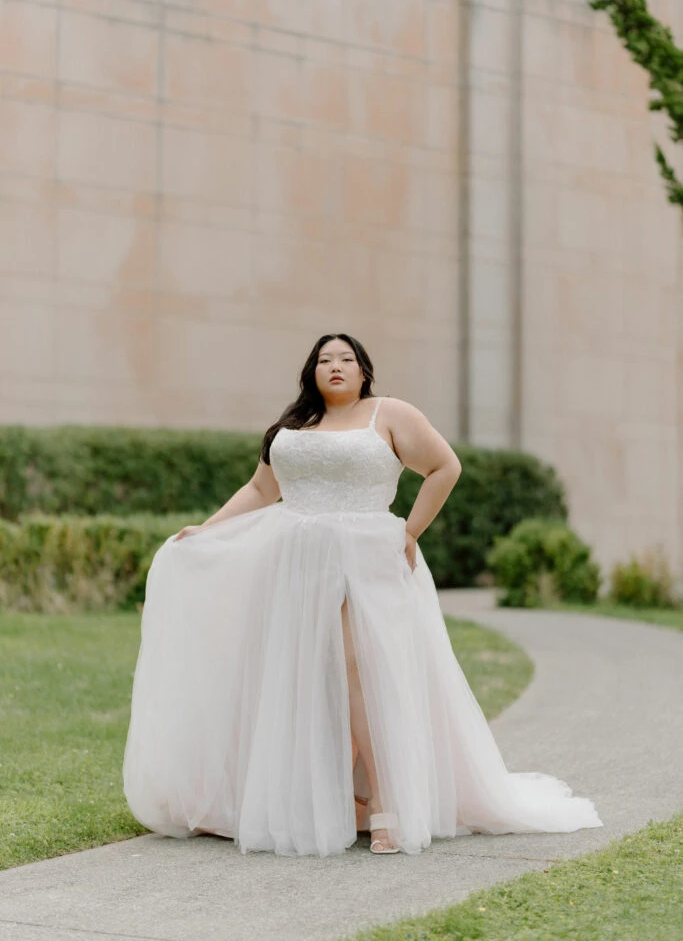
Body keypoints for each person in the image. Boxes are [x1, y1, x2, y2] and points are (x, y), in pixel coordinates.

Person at [123, 333, 603, 857]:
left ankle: (386, 803)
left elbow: (446, 467)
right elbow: (262, 490)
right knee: (298, 673)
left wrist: (410, 532)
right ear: (310, 372)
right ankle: (319, 798)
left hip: (365, 559)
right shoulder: (292, 426)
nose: (335, 366)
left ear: (363, 371)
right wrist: (208, 529)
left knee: (358, 672)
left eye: (346, 359)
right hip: (296, 562)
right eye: (324, 359)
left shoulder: (389, 414)